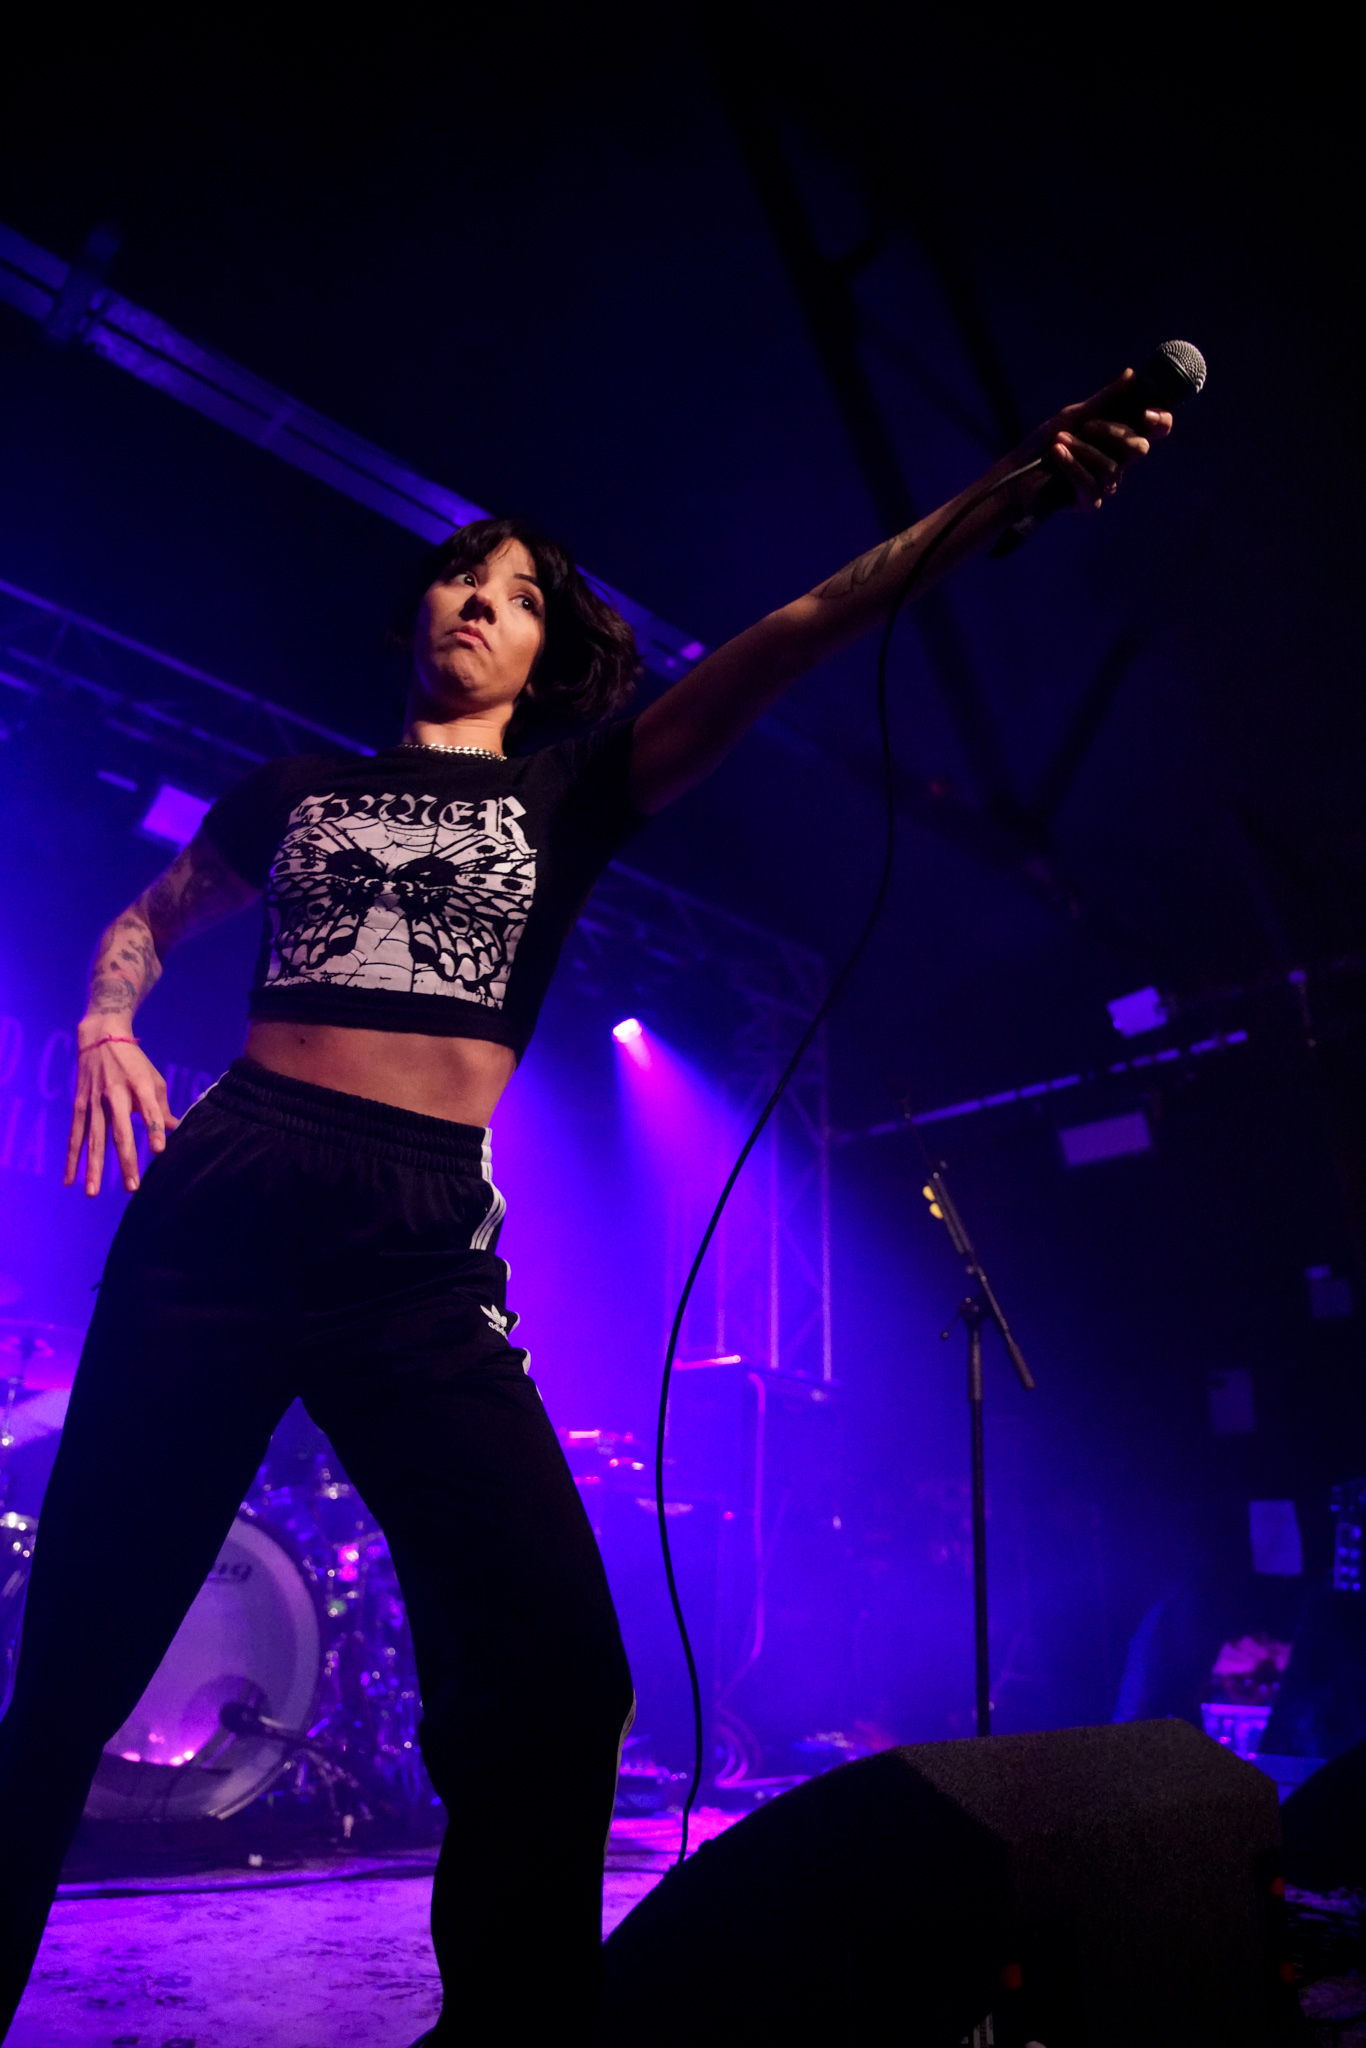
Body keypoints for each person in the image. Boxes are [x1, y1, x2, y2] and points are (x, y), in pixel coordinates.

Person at [0, 372, 1170, 2044]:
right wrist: (110, 1019)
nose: (481, 600)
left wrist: (1004, 493)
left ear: (547, 653)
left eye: (522, 592)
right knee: (69, 1669)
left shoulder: (570, 796)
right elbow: (146, 917)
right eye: (461, 574)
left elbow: (798, 630)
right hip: (229, 1198)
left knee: (558, 1671)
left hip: (414, 1247)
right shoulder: (294, 791)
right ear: (416, 613)